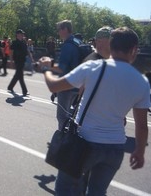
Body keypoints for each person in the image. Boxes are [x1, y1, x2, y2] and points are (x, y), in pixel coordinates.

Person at [38, 26, 149, 196]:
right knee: (97, 191)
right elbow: (141, 126)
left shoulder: (94, 67)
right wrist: (139, 152)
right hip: (115, 148)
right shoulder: (141, 82)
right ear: (134, 49)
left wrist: (46, 68)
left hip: (85, 142)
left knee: (65, 189)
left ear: (111, 45)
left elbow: (54, 86)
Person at [50, 20, 81, 130]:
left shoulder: (67, 45)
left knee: (62, 116)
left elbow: (61, 68)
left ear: (65, 29)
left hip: (67, 86)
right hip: (78, 86)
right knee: (73, 115)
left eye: (59, 30)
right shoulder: (77, 42)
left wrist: (47, 65)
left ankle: (63, 139)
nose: (58, 32)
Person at [7, 29, 30, 96]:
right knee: (20, 75)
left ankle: (10, 87)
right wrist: (11, 61)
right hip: (17, 60)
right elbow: (11, 52)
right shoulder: (14, 42)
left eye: (23, 34)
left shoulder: (23, 42)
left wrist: (31, 57)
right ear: (17, 35)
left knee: (18, 75)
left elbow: (27, 51)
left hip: (22, 60)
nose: (23, 35)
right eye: (21, 34)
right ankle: (24, 91)